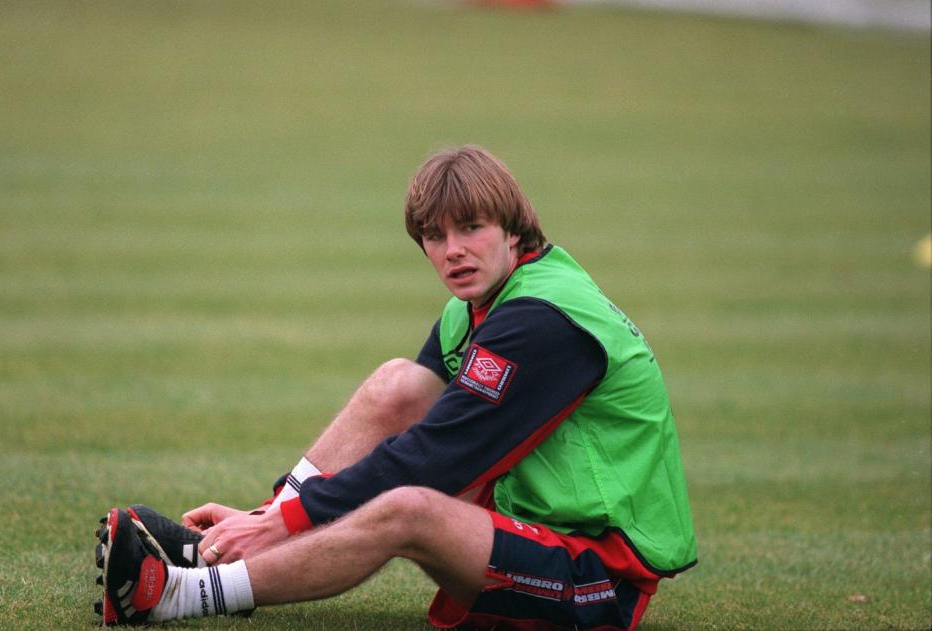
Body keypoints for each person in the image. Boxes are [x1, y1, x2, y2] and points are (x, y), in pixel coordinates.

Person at [95, 145, 697, 630]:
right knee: (398, 384)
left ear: (514, 231)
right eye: (435, 236)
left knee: (409, 507)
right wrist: (271, 518)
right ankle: (234, 548)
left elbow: (433, 459)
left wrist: (285, 525)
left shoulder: (542, 319)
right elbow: (405, 417)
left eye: (471, 227)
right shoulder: (478, 304)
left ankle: (184, 593)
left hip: (598, 574)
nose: (453, 250)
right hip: (529, 520)